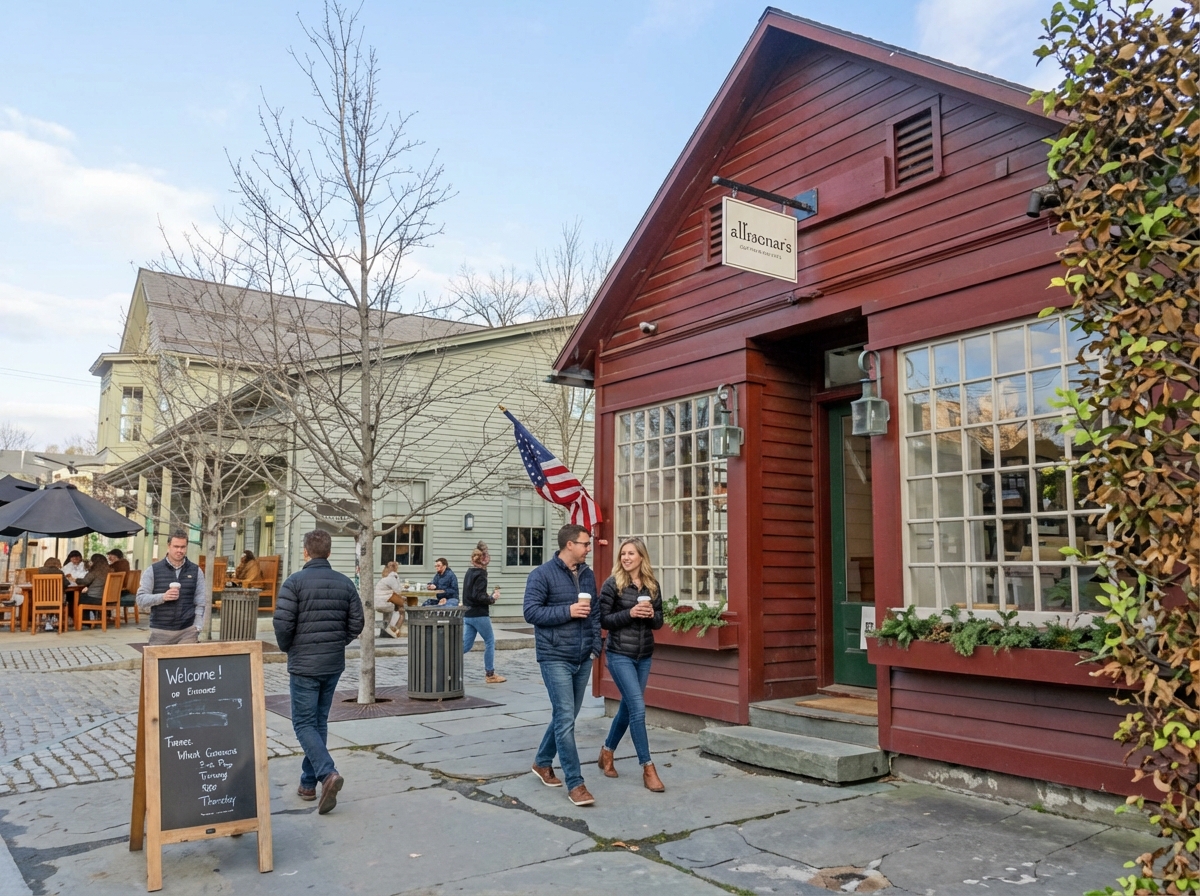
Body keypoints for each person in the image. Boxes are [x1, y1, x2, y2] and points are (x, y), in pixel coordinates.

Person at [273, 529, 364, 816]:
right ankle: (307, 783)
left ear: (305, 552)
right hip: (331, 663)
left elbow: (282, 624)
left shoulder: (294, 583)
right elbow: (357, 622)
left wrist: (290, 647)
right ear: (329, 552)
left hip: (304, 664)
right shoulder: (345, 583)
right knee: (318, 722)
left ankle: (327, 774)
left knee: (303, 723)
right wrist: (339, 642)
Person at [523, 524, 601, 807]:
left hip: (583, 657)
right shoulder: (541, 575)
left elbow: (595, 613)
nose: (588, 548)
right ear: (569, 545)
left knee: (566, 715)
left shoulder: (587, 574)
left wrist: (595, 648)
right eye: (585, 544)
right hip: (554, 655)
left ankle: (542, 761)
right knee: (566, 717)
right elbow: (531, 612)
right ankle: (576, 783)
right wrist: (567, 611)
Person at [598, 537, 666, 792]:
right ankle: (647, 767)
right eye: (623, 553)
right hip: (619, 655)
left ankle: (607, 751)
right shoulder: (612, 584)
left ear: (641, 557)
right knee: (638, 708)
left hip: (644, 655)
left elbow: (659, 621)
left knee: (628, 708)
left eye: (631, 554)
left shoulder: (652, 585)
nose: (626, 557)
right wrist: (630, 613)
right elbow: (603, 619)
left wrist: (650, 616)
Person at [136, 531, 207, 645]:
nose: (179, 550)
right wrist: (163, 597)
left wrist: (197, 627)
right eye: (176, 546)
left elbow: (200, 601)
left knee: (185, 663)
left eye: (183, 547)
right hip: (160, 631)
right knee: (161, 663)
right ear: (168, 546)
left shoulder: (196, 571)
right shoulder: (153, 570)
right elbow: (140, 600)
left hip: (188, 631)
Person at [462, 544, 505, 683]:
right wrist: (492, 598)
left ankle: (445, 660)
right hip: (479, 614)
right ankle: (490, 674)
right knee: (490, 641)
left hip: (467, 614)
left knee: (466, 645)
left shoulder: (469, 572)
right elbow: (478, 596)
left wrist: (486, 595)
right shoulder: (481, 574)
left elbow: (471, 593)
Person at [77, 553, 113, 621]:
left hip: (96, 598)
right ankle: (95, 618)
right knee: (85, 596)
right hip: (108, 598)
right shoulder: (111, 571)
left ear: (93, 562)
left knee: (81, 597)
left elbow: (84, 581)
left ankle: (85, 621)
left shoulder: (94, 572)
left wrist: (75, 579)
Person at [373, 560, 404, 638]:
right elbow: (398, 591)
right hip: (384, 603)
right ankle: (393, 628)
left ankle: (387, 630)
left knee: (397, 605)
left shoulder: (384, 578)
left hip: (377, 602)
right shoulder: (393, 577)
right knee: (401, 609)